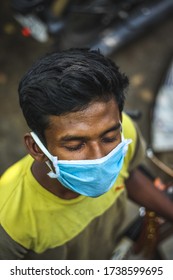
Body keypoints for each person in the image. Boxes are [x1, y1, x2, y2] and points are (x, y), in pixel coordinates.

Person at [0, 48, 173, 260]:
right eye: (75, 145)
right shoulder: (9, 220)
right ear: (37, 148)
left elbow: (131, 175)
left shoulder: (124, 130)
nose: (99, 156)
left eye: (108, 138)